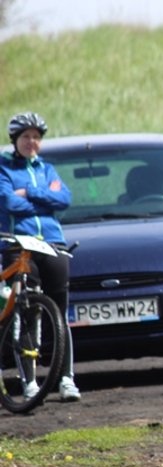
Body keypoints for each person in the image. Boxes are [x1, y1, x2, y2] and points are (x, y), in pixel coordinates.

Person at [0, 112, 81, 401]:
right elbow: (8, 201)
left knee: (60, 312)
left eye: (36, 137)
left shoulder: (47, 169)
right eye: (26, 137)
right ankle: (30, 383)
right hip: (17, 245)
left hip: (52, 243)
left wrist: (31, 192)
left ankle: (66, 379)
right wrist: (44, 198)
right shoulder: (4, 168)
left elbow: (64, 199)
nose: (31, 142)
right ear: (15, 140)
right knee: (27, 312)